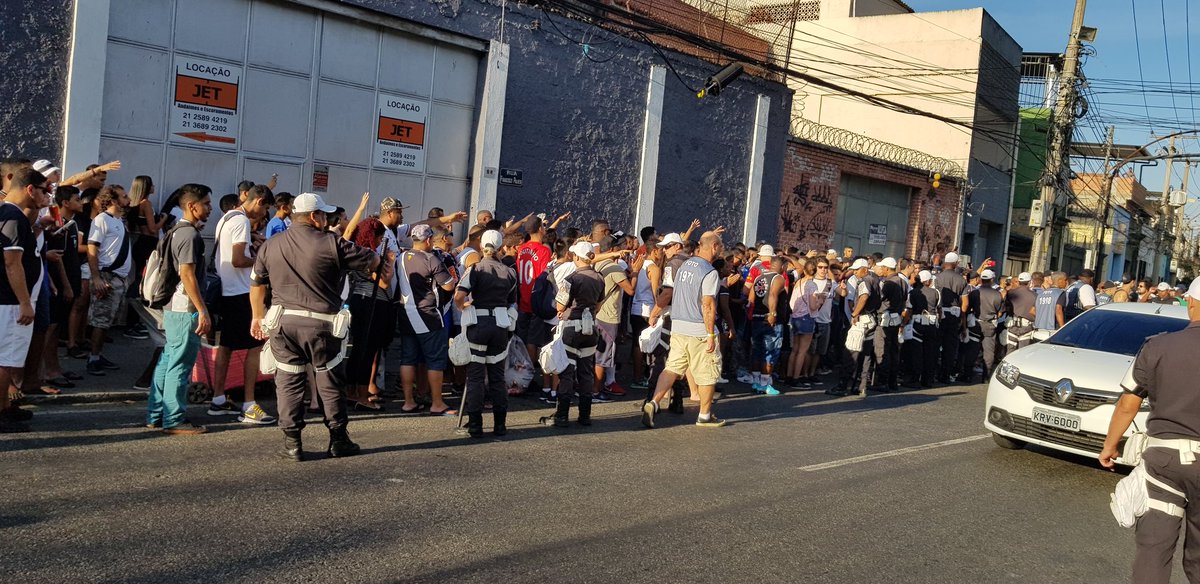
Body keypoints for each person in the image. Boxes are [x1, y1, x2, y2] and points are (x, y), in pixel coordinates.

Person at [250, 192, 383, 461]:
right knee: (329, 380)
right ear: (314, 216)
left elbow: (257, 284)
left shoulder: (271, 245)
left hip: (282, 323)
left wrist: (257, 316)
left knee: (288, 382)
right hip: (321, 324)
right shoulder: (331, 243)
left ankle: (292, 443)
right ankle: (338, 439)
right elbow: (373, 261)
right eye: (324, 214)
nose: (326, 219)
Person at [1099, 278, 1200, 581]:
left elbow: (1127, 403)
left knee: (1153, 550)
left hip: (1164, 461)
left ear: (1191, 303)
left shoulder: (1158, 346)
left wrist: (1110, 446)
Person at [642, 230, 727, 429]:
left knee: (672, 367)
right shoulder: (709, 272)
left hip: (679, 326)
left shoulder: (683, 266)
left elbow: (671, 292)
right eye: (720, 247)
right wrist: (711, 333)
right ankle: (704, 415)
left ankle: (653, 402)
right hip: (699, 329)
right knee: (707, 372)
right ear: (714, 246)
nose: (721, 251)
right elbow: (708, 304)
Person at [147, 184, 213, 435]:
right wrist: (202, 310)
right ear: (191, 206)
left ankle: (156, 414)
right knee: (180, 365)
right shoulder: (190, 235)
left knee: (168, 361)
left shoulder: (175, 231)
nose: (209, 208)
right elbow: (187, 274)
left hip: (172, 306)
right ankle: (174, 419)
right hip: (185, 307)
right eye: (206, 203)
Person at [209, 184, 277, 424]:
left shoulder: (227, 218)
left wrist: (252, 242)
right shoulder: (242, 222)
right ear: (259, 201)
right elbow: (238, 259)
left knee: (226, 346)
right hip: (241, 292)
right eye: (265, 209)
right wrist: (259, 260)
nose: (264, 214)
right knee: (255, 346)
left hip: (227, 291)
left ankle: (218, 399)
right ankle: (249, 404)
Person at [454, 229, 517, 437]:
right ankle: (500, 425)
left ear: (482, 246)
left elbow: (458, 296)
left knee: (475, 377)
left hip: (478, 324)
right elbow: (512, 303)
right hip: (500, 326)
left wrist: (463, 306)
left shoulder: (475, 269)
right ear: (500, 247)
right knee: (497, 376)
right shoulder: (510, 272)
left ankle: (475, 425)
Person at [0, 168, 48, 432]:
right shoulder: (14, 217)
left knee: (7, 357)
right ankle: (1, 412)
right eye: (43, 190)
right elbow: (12, 263)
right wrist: (25, 302)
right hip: (11, 302)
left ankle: (6, 406)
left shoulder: (12, 215)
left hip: (11, 301)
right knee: (5, 359)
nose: (46, 196)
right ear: (30, 189)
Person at [395, 224, 459, 416]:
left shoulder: (402, 257)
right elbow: (449, 286)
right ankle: (437, 403)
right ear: (429, 240)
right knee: (435, 360)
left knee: (408, 359)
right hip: (428, 315)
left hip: (406, 314)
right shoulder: (431, 259)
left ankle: (408, 402)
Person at [548, 241, 605, 427]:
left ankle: (562, 415)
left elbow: (560, 306)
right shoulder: (599, 278)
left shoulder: (571, 279)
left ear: (576, 257)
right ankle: (585, 415)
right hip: (591, 328)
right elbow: (598, 305)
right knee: (586, 373)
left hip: (572, 327)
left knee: (567, 372)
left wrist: (563, 310)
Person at [344, 217, 394, 411]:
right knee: (368, 351)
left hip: (357, 299)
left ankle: (351, 392)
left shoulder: (354, 251)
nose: (381, 242)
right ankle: (363, 395)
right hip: (373, 303)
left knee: (357, 349)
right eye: (380, 238)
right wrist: (390, 261)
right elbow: (383, 283)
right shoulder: (371, 255)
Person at [84, 185, 132, 376]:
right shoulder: (102, 219)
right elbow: (92, 248)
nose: (128, 199)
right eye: (124, 196)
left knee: (108, 321)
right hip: (106, 276)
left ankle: (98, 354)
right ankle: (93, 359)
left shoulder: (119, 220)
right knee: (100, 320)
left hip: (119, 278)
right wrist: (96, 277)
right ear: (113, 200)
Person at [593, 236, 637, 398]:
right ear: (613, 250)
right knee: (603, 356)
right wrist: (635, 272)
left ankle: (594, 387)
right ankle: (595, 391)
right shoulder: (615, 268)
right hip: (609, 316)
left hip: (597, 314)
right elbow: (630, 290)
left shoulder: (598, 264)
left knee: (596, 353)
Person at [748, 253, 787, 395]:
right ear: (782, 266)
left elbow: (751, 298)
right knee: (770, 352)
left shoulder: (759, 278)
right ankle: (765, 384)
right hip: (770, 320)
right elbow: (773, 294)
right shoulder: (778, 278)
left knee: (757, 350)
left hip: (757, 318)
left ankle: (756, 382)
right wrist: (772, 313)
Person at [933, 252, 969, 383]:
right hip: (954, 315)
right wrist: (962, 319)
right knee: (950, 347)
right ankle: (945, 375)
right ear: (956, 264)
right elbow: (965, 303)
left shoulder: (936, 278)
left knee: (936, 344)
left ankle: (932, 373)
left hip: (940, 313)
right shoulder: (961, 280)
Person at [875, 257, 906, 392]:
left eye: (882, 267)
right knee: (894, 350)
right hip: (896, 318)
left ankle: (883, 382)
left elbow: (879, 300)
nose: (880, 269)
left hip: (886, 319)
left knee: (883, 350)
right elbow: (905, 299)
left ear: (887, 269)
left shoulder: (888, 283)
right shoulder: (902, 281)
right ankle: (892, 381)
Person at [909, 270, 940, 388]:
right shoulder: (936, 292)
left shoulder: (913, 292)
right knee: (930, 352)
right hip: (932, 324)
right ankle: (927, 380)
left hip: (917, 323)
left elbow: (909, 309)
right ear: (928, 281)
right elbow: (939, 309)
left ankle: (915, 379)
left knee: (917, 353)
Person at [974, 270, 1005, 382]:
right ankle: (986, 376)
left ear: (981, 279)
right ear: (992, 279)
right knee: (989, 351)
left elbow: (968, 307)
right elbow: (1000, 313)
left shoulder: (975, 292)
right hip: (990, 324)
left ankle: (967, 374)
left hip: (975, 323)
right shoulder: (997, 294)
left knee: (973, 348)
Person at [1031, 271, 1068, 342]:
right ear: (1059, 280)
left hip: (1038, 330)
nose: (1066, 282)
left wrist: (1043, 317)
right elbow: (1058, 310)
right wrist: (1063, 329)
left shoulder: (1041, 294)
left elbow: (1032, 311)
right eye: (1065, 280)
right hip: (1052, 331)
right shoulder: (1060, 293)